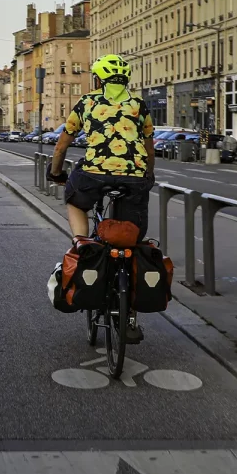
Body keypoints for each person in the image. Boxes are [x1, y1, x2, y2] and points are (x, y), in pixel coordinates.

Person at [48, 53, 155, 343]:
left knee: (73, 199)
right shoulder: (139, 104)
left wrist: (56, 173)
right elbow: (148, 146)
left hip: (94, 175)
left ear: (99, 79)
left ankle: (82, 244)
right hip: (134, 178)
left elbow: (62, 143)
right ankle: (130, 317)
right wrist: (147, 176)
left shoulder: (87, 102)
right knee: (131, 243)